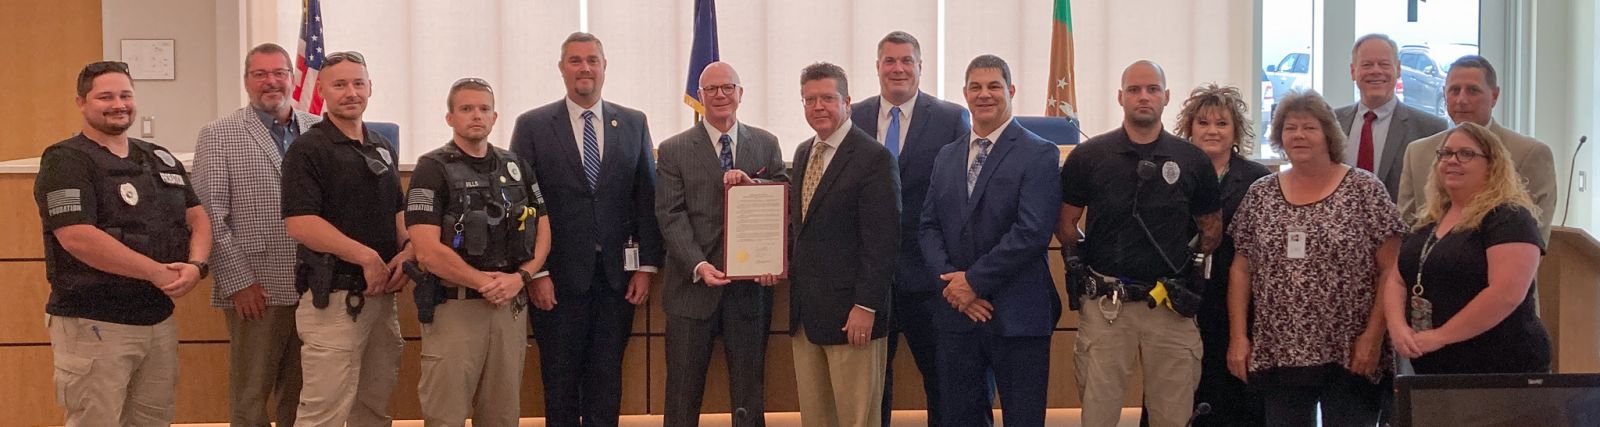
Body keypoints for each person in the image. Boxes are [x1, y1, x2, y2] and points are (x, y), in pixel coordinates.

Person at [35, 60, 212, 426]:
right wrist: (156, 272)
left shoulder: (158, 158)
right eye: (105, 96)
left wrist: (196, 266)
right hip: (94, 322)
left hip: (156, 320)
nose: (118, 104)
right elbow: (77, 237)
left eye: (125, 95)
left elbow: (197, 217)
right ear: (81, 102)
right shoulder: (65, 161)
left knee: (152, 421)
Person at [509, 32, 664, 427]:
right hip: (555, 280)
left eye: (592, 60)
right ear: (562, 68)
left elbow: (646, 196)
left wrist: (646, 266)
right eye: (575, 60)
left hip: (617, 279)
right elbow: (519, 206)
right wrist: (535, 272)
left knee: (606, 380)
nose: (585, 68)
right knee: (559, 382)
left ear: (604, 66)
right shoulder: (533, 125)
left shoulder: (633, 122)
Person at [1057, 60, 1222, 427]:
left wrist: (1189, 269)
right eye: (1134, 90)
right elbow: (1066, 224)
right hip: (1107, 307)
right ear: (1120, 97)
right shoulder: (1089, 156)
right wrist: (1089, 264)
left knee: (1173, 416)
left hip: (1170, 308)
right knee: (1098, 415)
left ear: (1166, 97)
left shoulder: (1192, 160)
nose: (1143, 97)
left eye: (1152, 89)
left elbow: (1211, 230)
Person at [1227, 90, 1404, 427]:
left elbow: (1391, 270)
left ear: (1328, 134)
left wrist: (1374, 336)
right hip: (1280, 349)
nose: (1298, 135)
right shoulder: (1261, 192)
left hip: (1350, 348)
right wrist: (1239, 336)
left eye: (1309, 127)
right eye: (1290, 128)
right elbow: (1241, 269)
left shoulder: (1365, 189)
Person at [918, 54, 1061, 427]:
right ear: (965, 94)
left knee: (1024, 418)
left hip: (1018, 314)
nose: (985, 94)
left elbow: (1032, 232)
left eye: (994, 86)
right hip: (957, 316)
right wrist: (954, 285)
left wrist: (974, 282)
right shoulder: (946, 156)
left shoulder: (1040, 153)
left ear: (1010, 91)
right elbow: (929, 227)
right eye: (976, 87)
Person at [406, 77, 552, 426]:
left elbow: (543, 228)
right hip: (456, 309)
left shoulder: (514, 166)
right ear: (450, 118)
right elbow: (426, 250)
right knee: (446, 415)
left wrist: (522, 277)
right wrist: (484, 282)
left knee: (502, 416)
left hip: (509, 309)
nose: (476, 116)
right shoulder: (432, 168)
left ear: (495, 116)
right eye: (466, 109)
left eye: (483, 109)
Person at [280, 51, 410, 427]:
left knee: (373, 408)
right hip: (334, 299)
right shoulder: (308, 149)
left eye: (358, 83)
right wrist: (366, 257)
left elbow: (397, 211)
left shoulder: (381, 145)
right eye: (340, 85)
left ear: (370, 87)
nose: (350, 92)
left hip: (382, 298)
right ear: (322, 91)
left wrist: (407, 251)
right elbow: (300, 223)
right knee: (325, 412)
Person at [849, 31, 972, 427]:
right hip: (870, 281)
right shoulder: (855, 116)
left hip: (930, 277)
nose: (898, 68)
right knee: (871, 386)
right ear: (878, 67)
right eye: (889, 61)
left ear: (920, 66)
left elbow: (961, 198)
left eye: (906, 60)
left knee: (941, 381)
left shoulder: (953, 118)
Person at [193, 42, 318, 427]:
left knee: (305, 393)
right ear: (247, 81)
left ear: (292, 78)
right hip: (256, 286)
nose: (271, 81)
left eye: (279, 72)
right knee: (251, 395)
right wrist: (238, 282)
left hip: (319, 285)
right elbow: (210, 213)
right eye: (260, 74)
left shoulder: (318, 130)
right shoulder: (219, 133)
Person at [656, 61, 788, 427]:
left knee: (749, 395)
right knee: (682, 397)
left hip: (749, 291)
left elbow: (782, 202)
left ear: (740, 93)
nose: (720, 95)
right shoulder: (673, 149)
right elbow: (670, 215)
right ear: (699, 97)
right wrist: (698, 264)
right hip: (691, 288)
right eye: (711, 89)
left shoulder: (765, 144)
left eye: (727, 87)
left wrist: (771, 260)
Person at [1384, 122, 1551, 374]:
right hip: (1433, 364)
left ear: (1492, 166)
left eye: (1466, 154)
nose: (1452, 160)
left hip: (1500, 367)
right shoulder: (1429, 221)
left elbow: (1506, 294)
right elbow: (1397, 280)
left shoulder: (1509, 217)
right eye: (1446, 154)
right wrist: (1398, 329)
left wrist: (1441, 336)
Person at [788, 62, 900, 427]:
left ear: (847, 102)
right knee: (816, 417)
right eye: (809, 99)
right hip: (807, 316)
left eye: (827, 98)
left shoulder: (874, 158)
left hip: (853, 316)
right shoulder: (805, 152)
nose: (817, 106)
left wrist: (865, 306)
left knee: (855, 418)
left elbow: (882, 242)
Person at [1172, 83, 1270, 427]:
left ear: (1236, 131)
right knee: (1179, 392)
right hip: (1181, 299)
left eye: (1221, 123)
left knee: (1234, 392)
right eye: (1203, 123)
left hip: (1239, 302)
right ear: (1189, 129)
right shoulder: (1172, 172)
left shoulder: (1258, 180)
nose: (1212, 130)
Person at [1396, 55, 1557, 241]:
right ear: (1444, 93)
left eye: (1473, 91)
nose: (1461, 99)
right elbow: (1405, 229)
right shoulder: (1417, 153)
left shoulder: (1529, 153)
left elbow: (1535, 236)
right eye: (1454, 90)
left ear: (1494, 96)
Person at [1334, 33, 1449, 200]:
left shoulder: (1431, 129)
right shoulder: (1332, 122)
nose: (1376, 71)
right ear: (1353, 71)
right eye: (1367, 65)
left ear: (1398, 70)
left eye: (1384, 64)